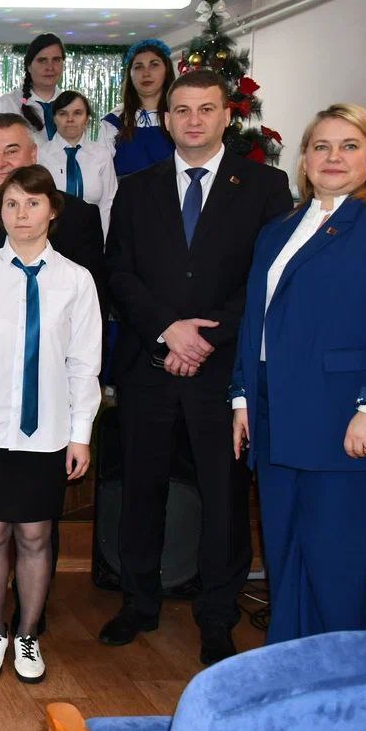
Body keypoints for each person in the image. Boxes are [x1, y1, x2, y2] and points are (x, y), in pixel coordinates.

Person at [101, 69, 291, 666]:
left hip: (223, 371)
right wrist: (168, 329)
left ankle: (217, 616)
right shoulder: (136, 188)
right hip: (149, 364)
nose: (193, 120)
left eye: (206, 109)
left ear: (226, 115)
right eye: (181, 110)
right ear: (166, 119)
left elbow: (268, 277)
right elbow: (118, 272)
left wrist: (205, 337)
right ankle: (138, 603)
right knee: (141, 489)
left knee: (223, 496)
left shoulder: (265, 186)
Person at [231, 104, 366, 643]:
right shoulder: (278, 230)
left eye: (349, 145)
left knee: (336, 568)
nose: (334, 157)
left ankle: (342, 684)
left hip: (347, 421)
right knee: (286, 560)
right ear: (304, 160)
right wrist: (242, 397)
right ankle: (291, 672)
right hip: (276, 418)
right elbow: (255, 319)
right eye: (321, 146)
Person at [0, 112, 105, 631]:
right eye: (12, 204)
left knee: (35, 533)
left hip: (46, 425)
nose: (21, 212)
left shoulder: (75, 278)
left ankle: (29, 625)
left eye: (32, 202)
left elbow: (84, 360)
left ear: (51, 208)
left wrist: (80, 432)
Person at [38, 91, 117, 235]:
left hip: (92, 235)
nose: (70, 119)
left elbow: (108, 203)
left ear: (87, 118)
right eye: (63, 114)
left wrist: (104, 240)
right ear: (54, 118)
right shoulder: (40, 155)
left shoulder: (102, 155)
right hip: (51, 235)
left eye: (77, 113)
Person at [101, 39, 176, 178]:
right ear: (130, 74)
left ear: (167, 70)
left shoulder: (179, 116)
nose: (146, 73)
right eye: (138, 67)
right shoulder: (114, 121)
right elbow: (103, 174)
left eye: (154, 65)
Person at [0, 33, 65, 141]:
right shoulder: (7, 104)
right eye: (42, 60)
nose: (50, 67)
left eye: (56, 60)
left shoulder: (72, 104)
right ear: (29, 66)